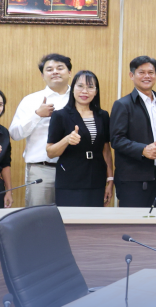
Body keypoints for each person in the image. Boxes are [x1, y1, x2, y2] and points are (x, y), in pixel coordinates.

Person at [8, 53, 73, 207]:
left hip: (74, 169)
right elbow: (14, 134)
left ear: (69, 72)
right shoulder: (31, 100)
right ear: (43, 75)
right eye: (49, 69)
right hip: (41, 169)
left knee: (71, 216)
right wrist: (37, 115)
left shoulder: (79, 99)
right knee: (38, 216)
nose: (55, 72)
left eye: (60, 68)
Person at [45, 70, 113, 207]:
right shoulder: (60, 115)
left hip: (97, 178)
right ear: (73, 89)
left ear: (96, 91)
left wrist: (110, 178)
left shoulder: (103, 116)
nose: (85, 91)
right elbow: (50, 152)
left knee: (94, 218)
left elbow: (106, 149)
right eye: (80, 86)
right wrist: (67, 140)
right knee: (70, 219)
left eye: (90, 87)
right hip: (70, 180)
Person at [110, 56, 156, 208]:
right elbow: (116, 139)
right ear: (132, 75)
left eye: (151, 72)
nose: (147, 76)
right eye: (141, 72)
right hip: (133, 179)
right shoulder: (123, 105)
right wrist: (142, 150)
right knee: (131, 221)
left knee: (152, 222)